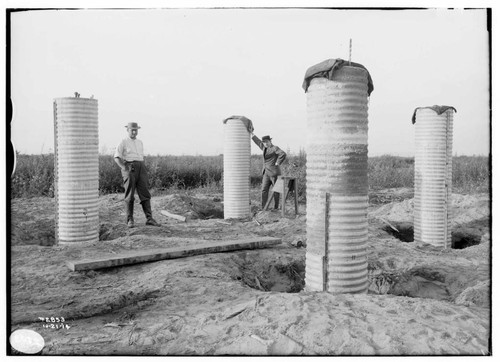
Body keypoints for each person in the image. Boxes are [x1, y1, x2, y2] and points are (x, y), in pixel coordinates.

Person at [114, 122, 161, 228]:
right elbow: (116, 157)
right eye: (132, 130)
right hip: (130, 167)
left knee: (145, 193)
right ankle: (129, 220)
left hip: (141, 167)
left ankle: (149, 218)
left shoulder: (140, 142)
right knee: (130, 195)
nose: (134, 132)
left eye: (136, 130)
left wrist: (142, 167)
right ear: (128, 130)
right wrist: (124, 167)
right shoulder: (123, 141)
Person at [251, 133, 287, 209]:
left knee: (276, 191)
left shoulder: (275, 148)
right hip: (266, 173)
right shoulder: (264, 148)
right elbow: (258, 142)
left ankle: (276, 208)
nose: (265, 143)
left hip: (275, 173)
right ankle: (264, 208)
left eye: (267, 142)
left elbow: (283, 154)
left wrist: (278, 162)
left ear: (270, 141)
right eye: (264, 142)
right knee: (264, 190)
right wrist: (252, 134)